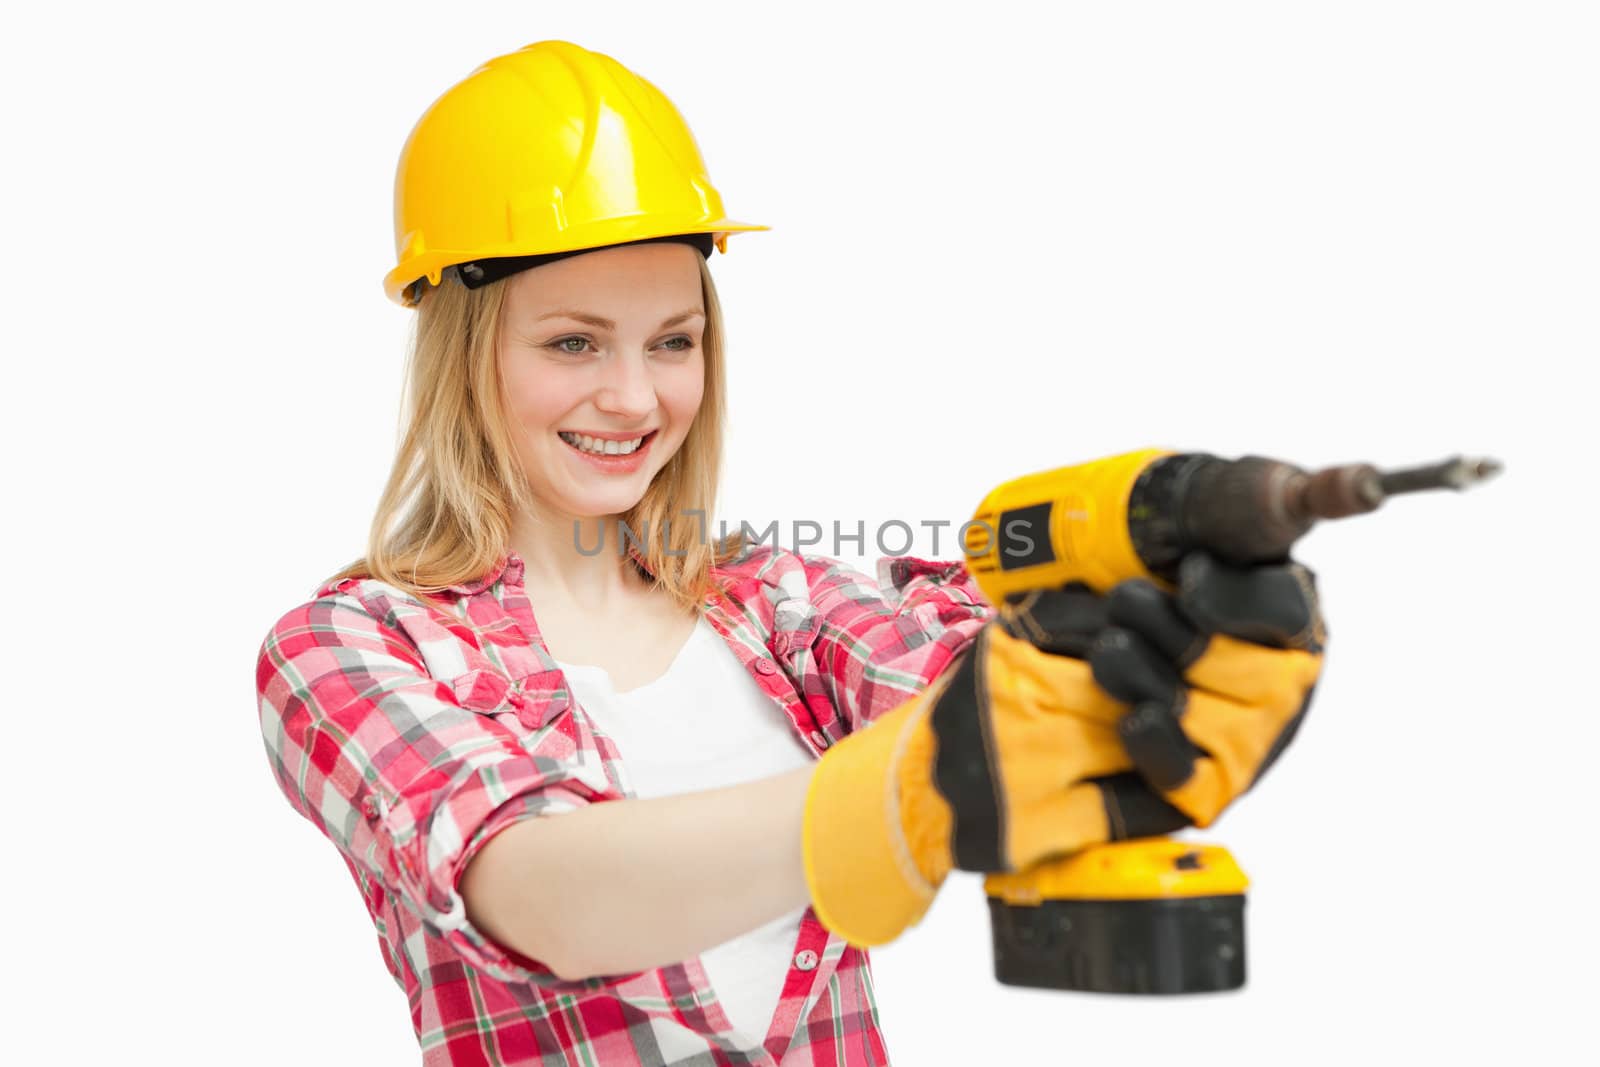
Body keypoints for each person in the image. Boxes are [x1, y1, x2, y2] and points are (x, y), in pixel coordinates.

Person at [254, 40, 1327, 1066]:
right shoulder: (347, 650)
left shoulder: (771, 603)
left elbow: (965, 679)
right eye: (572, 340)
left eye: (674, 340)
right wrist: (915, 778)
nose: (635, 396)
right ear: (460, 348)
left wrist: (1161, 647)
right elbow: (540, 893)